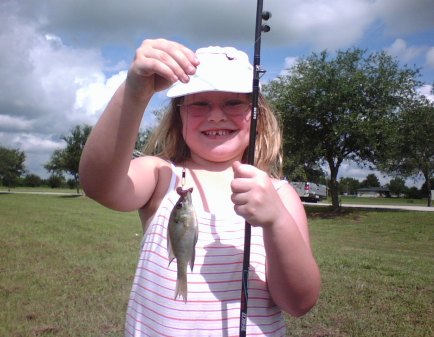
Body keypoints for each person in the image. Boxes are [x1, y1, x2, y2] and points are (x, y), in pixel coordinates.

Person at [79, 38, 320, 336]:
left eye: (233, 102)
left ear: (257, 114)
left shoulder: (280, 195)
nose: (216, 115)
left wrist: (277, 221)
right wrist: (134, 93)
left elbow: (299, 303)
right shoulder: (162, 175)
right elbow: (98, 184)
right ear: (179, 115)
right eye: (199, 103)